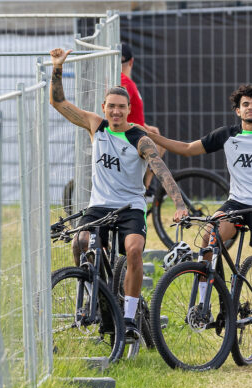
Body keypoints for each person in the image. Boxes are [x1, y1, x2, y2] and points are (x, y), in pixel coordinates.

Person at [145, 84, 252, 366]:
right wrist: (147, 135)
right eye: (246, 104)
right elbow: (186, 149)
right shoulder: (227, 135)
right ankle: (204, 304)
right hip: (235, 203)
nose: (251, 108)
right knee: (208, 237)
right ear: (238, 110)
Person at [49, 48, 188, 340]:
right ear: (103, 107)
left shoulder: (139, 137)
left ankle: (128, 319)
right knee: (81, 242)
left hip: (130, 206)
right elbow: (58, 101)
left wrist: (178, 204)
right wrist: (57, 68)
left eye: (121, 107)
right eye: (111, 106)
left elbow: (160, 169)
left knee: (135, 250)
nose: (115, 111)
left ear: (128, 110)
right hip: (99, 205)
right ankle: (94, 291)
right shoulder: (95, 126)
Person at [120, 42, 165, 190]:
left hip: (136, 131)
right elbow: (122, 113)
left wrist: (144, 126)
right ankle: (146, 186)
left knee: (157, 135)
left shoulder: (123, 82)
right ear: (132, 61)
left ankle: (147, 182)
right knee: (159, 143)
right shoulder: (125, 83)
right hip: (132, 137)